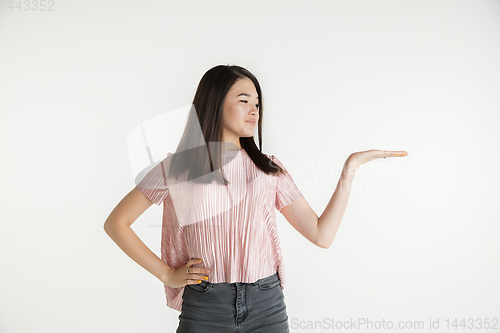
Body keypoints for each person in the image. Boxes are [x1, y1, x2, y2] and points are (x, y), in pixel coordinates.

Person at [103, 64, 409, 332]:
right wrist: (167, 274)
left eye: (257, 104)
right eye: (244, 100)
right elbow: (117, 223)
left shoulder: (269, 169)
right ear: (214, 103)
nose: (255, 111)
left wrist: (350, 168)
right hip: (205, 305)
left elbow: (321, 234)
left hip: (267, 304)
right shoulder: (177, 168)